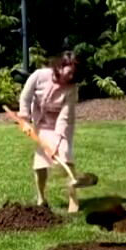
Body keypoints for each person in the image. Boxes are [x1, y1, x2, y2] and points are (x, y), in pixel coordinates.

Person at [18, 50, 81, 213]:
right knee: (40, 163)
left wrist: (58, 141)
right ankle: (41, 198)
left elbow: (64, 117)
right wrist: (24, 121)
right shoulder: (39, 76)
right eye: (70, 71)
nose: (71, 76)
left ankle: (73, 199)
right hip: (42, 123)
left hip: (62, 124)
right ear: (60, 66)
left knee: (65, 154)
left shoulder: (71, 88)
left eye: (74, 74)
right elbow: (25, 98)